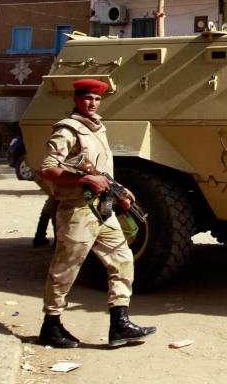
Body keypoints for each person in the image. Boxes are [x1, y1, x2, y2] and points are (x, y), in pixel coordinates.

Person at [38, 78, 156, 349]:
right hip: (77, 211)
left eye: (96, 99)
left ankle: (120, 323)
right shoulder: (68, 130)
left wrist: (119, 189)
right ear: (76, 99)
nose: (92, 103)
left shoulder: (96, 128)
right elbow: (48, 169)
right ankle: (51, 325)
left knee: (123, 259)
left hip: (102, 210)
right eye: (87, 98)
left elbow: (100, 170)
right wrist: (84, 181)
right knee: (65, 268)